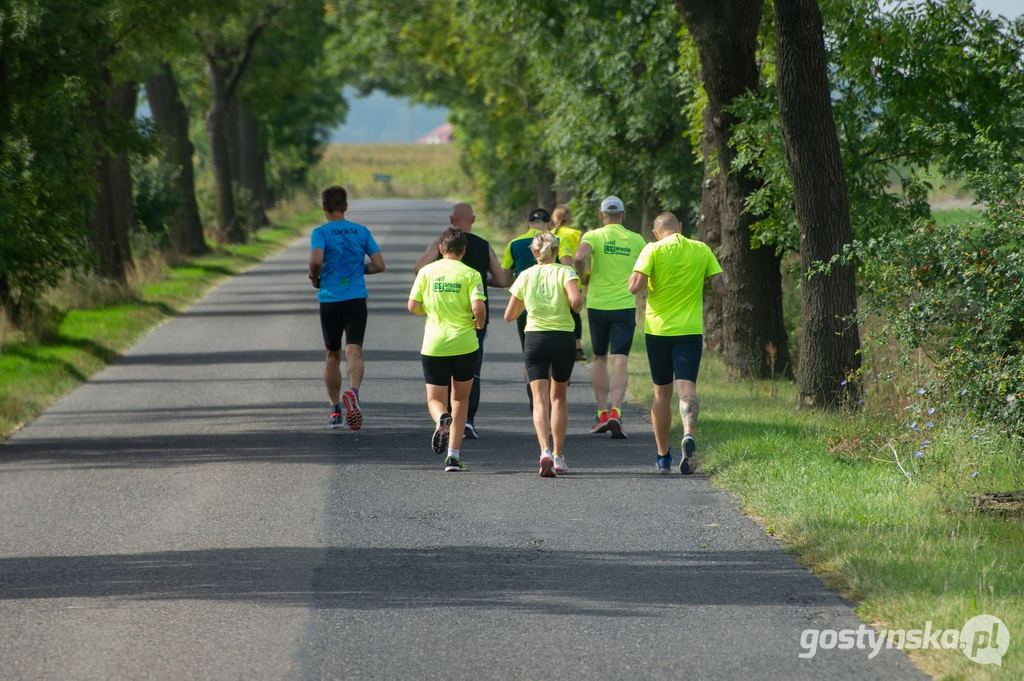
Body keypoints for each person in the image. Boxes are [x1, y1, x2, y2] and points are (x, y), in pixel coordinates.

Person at [628, 212, 724, 474]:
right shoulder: (701, 249)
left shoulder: (652, 249)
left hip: (658, 331)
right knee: (686, 388)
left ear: (655, 231)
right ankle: (689, 433)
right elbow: (721, 285)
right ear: (680, 227)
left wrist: (644, 275)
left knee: (661, 392)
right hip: (690, 330)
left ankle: (662, 456)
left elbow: (633, 287)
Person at [414, 203, 509, 440]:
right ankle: (467, 422)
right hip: (475, 320)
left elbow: (419, 268)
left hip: (441, 322)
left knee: (442, 371)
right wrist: (482, 283)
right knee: (471, 371)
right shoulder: (484, 246)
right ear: (474, 219)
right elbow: (501, 279)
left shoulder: (441, 243)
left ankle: (443, 416)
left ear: (451, 218)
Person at [408, 228, 487, 472]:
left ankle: (441, 416)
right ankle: (453, 455)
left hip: (434, 344)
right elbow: (478, 307)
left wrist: (429, 313)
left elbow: (412, 305)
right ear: (463, 251)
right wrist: (479, 323)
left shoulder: (426, 272)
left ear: (441, 248)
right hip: (464, 344)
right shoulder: (471, 274)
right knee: (460, 399)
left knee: (435, 398)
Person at [504, 232, 583, 477]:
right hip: (562, 338)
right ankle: (559, 456)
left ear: (534, 252)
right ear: (556, 250)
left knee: (539, 400)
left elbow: (509, 315)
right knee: (558, 396)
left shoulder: (525, 275)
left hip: (535, 339)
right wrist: (573, 305)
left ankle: (544, 450)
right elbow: (576, 300)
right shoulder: (565, 272)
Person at [309, 185, 385, 429]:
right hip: (355, 298)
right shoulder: (361, 232)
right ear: (345, 207)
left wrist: (315, 277)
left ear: (324, 208)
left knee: (332, 353)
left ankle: (334, 409)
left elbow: (317, 259)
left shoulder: (320, 233)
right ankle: (353, 391)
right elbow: (379, 264)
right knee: (355, 350)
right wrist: (359, 269)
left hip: (330, 299)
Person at [573, 195, 646, 439]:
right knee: (620, 359)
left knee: (599, 357)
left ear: (601, 215)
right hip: (624, 305)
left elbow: (579, 257)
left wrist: (582, 278)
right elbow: (646, 269)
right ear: (623, 215)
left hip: (598, 305)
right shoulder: (636, 240)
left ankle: (602, 413)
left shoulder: (593, 235)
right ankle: (617, 411)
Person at [501, 208, 554, 409]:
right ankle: (551, 398)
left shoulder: (514, 243)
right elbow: (569, 267)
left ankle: (535, 399)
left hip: (525, 306)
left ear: (528, 223)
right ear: (549, 223)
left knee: (530, 355)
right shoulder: (557, 241)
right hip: (554, 305)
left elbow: (505, 279)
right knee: (553, 355)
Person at [551, 204, 586, 362]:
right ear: (570, 218)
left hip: (555, 279)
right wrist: (582, 276)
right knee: (575, 313)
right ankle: (577, 346)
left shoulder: (550, 234)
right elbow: (579, 258)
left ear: (554, 218)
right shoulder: (577, 234)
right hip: (572, 277)